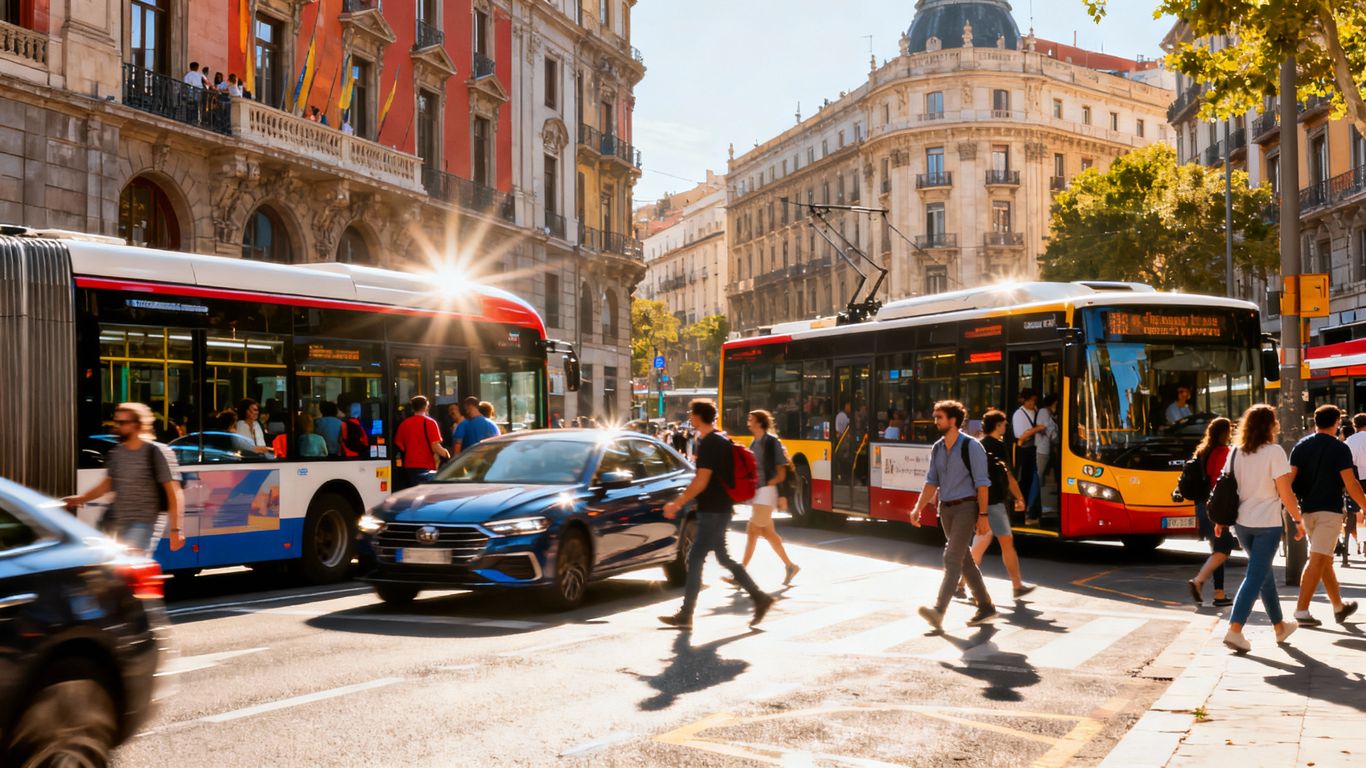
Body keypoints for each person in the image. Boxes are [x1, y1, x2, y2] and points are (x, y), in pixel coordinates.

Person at [659, 399, 774, 629]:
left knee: (696, 557)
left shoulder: (711, 443)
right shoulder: (719, 439)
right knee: (722, 558)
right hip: (718, 508)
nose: (690, 417)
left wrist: (677, 503)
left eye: (692, 413)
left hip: (713, 510)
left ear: (699, 416)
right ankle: (760, 598)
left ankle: (686, 614)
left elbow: (702, 480)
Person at [1221, 404, 1305, 653]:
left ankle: (1280, 626)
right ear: (1270, 426)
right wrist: (1297, 520)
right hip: (1267, 525)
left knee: (1263, 573)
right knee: (1255, 576)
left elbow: (1224, 489)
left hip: (1242, 524)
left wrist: (1220, 521)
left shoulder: (1235, 452)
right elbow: (1285, 491)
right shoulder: (1274, 452)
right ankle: (1235, 630)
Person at [911, 400, 997, 630]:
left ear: (953, 421)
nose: (935, 421)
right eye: (935, 416)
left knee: (952, 558)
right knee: (965, 561)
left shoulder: (972, 447)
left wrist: (984, 515)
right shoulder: (937, 448)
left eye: (939, 417)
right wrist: (918, 508)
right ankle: (986, 606)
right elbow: (932, 482)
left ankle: (938, 611)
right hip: (945, 509)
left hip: (966, 508)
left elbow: (982, 484)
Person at [64, 402, 186, 557]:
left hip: (143, 523)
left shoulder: (156, 451)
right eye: (116, 422)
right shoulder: (117, 453)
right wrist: (80, 498)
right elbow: (107, 484)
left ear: (137, 425)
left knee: (129, 566)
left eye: (122, 422)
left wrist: (176, 529)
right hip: (117, 522)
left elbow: (174, 492)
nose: (117, 427)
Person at [1288, 404, 1364, 627]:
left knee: (1324, 560)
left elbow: (1290, 480)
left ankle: (1339, 607)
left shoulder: (1300, 446)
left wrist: (1293, 513)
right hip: (1328, 511)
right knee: (1318, 559)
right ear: (1337, 422)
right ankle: (1301, 610)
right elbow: (1350, 483)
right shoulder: (1339, 448)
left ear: (1315, 421)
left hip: (1307, 511)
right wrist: (1364, 505)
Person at [962, 409, 1034, 599]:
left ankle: (960, 584)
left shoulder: (977, 444)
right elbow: (1009, 476)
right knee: (1005, 543)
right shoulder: (998, 446)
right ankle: (1017, 586)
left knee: (980, 545)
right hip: (994, 503)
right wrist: (1019, 496)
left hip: (983, 502)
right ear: (997, 425)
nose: (1006, 427)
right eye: (1004, 424)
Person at [723, 410, 799, 587]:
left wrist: (778, 492)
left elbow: (782, 470)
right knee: (768, 533)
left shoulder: (772, 442)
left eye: (751, 419)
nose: (748, 422)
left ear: (759, 423)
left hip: (767, 492)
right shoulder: (754, 442)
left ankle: (740, 575)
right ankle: (790, 566)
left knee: (752, 531)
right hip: (759, 492)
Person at [1187, 417, 1236, 606]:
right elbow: (1220, 481)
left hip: (1201, 505)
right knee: (1222, 550)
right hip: (1217, 506)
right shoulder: (1224, 452)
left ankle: (1219, 594)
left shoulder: (1202, 452)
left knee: (1217, 551)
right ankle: (1199, 581)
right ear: (1225, 433)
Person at [393, 395, 450, 488]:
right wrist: (446, 453)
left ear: (412, 408)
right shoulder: (430, 423)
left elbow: (400, 446)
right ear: (426, 406)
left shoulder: (404, 424)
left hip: (409, 467)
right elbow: (435, 446)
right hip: (426, 467)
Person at [1012, 389, 1045, 525]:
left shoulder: (1036, 411)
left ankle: (1032, 510)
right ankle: (1023, 510)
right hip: (1025, 450)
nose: (1032, 403)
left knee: (1034, 479)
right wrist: (1038, 429)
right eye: (1030, 400)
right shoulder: (1019, 414)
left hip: (1035, 449)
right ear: (1023, 400)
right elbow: (1021, 435)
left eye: (1034, 401)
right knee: (1026, 480)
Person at [1342, 412, 1366, 563]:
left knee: (1352, 515)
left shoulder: (1349, 441)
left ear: (1354, 426)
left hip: (1356, 481)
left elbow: (1346, 464)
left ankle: (1345, 551)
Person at [1036, 394, 1060, 521]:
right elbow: (1049, 429)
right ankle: (1040, 506)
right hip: (1042, 449)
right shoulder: (1044, 412)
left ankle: (1043, 505)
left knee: (1044, 478)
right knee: (1040, 477)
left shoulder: (1048, 413)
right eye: (1056, 404)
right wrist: (1058, 440)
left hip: (1047, 450)